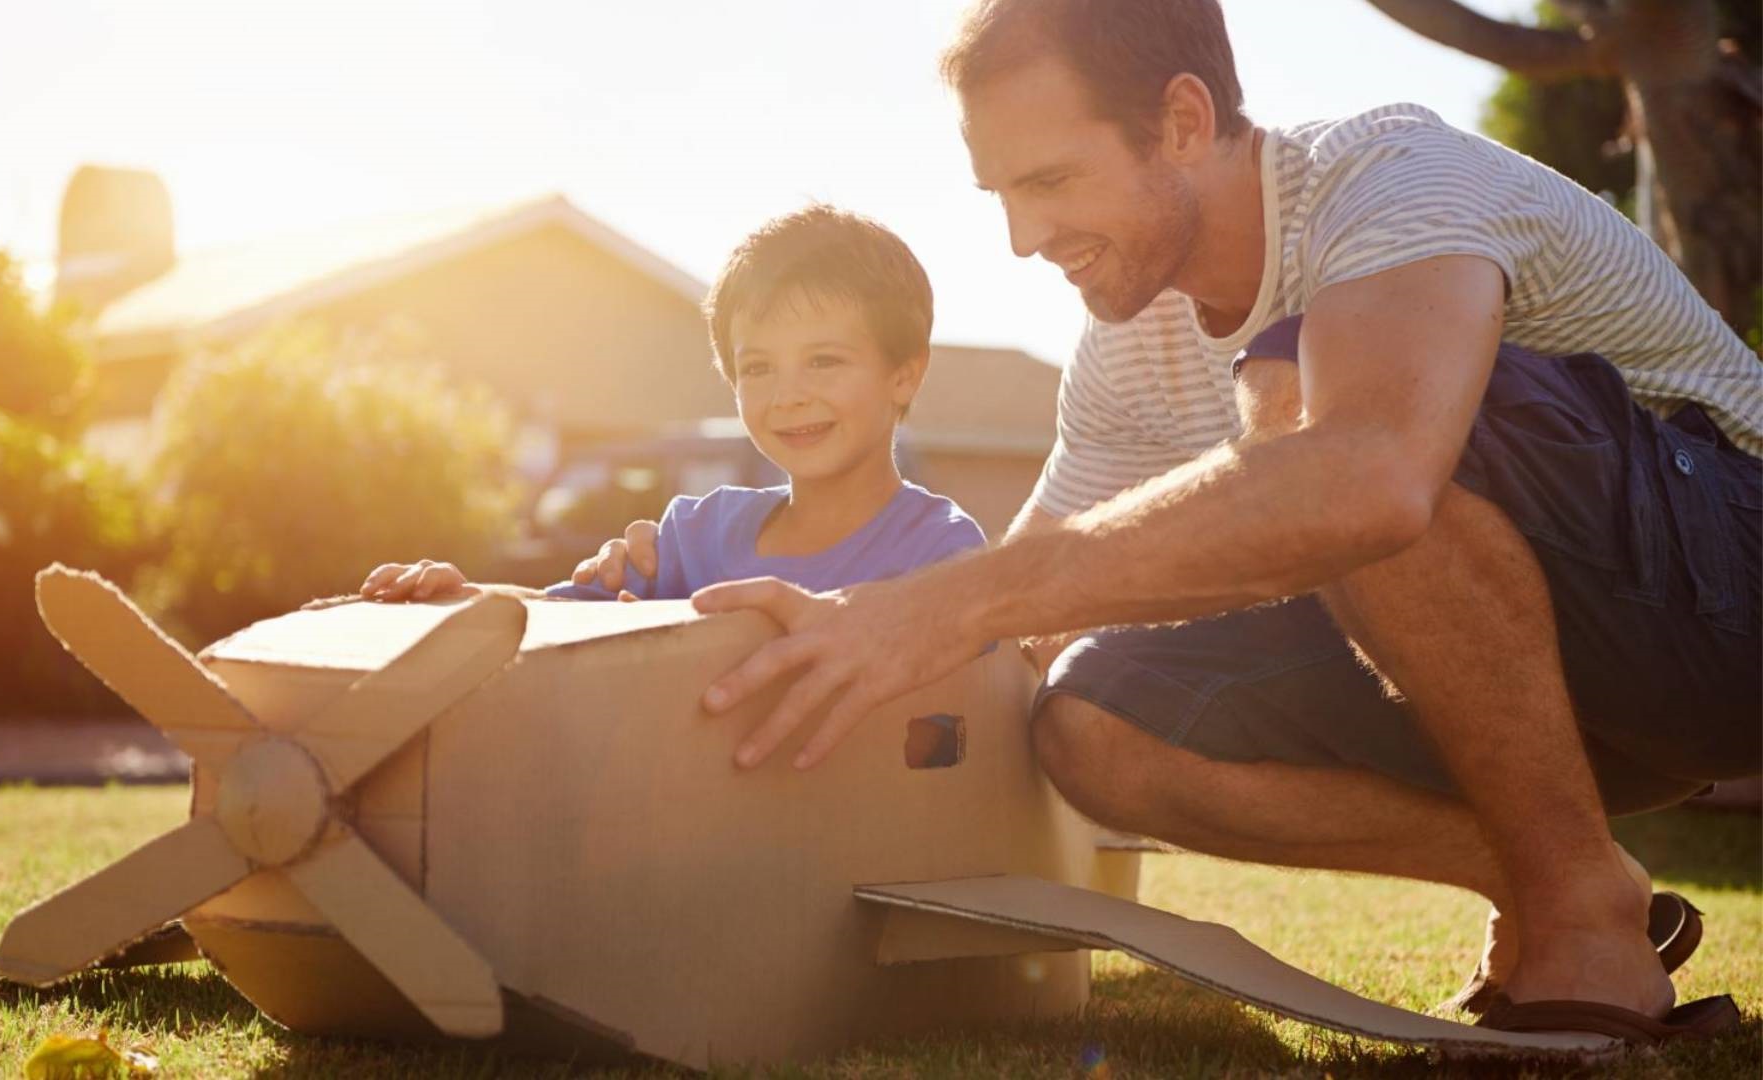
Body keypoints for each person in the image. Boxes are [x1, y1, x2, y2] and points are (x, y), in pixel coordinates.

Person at [578, 0, 1759, 1046]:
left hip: (1730, 611)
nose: (1022, 238)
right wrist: (812, 631)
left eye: (1049, 181)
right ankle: (1565, 876)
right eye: (1001, 194)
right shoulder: (1127, 344)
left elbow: (1373, 476)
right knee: (1094, 712)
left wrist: (944, 602)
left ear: (1184, 121)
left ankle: (1576, 920)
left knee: (1329, 417)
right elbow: (1025, 606)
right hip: (1558, 695)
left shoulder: (1391, 179)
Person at [361, 204, 985, 608]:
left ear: (904, 375)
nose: (788, 394)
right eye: (757, 368)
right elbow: (556, 617)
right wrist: (467, 597)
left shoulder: (942, 554)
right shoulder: (697, 534)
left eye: (823, 360)